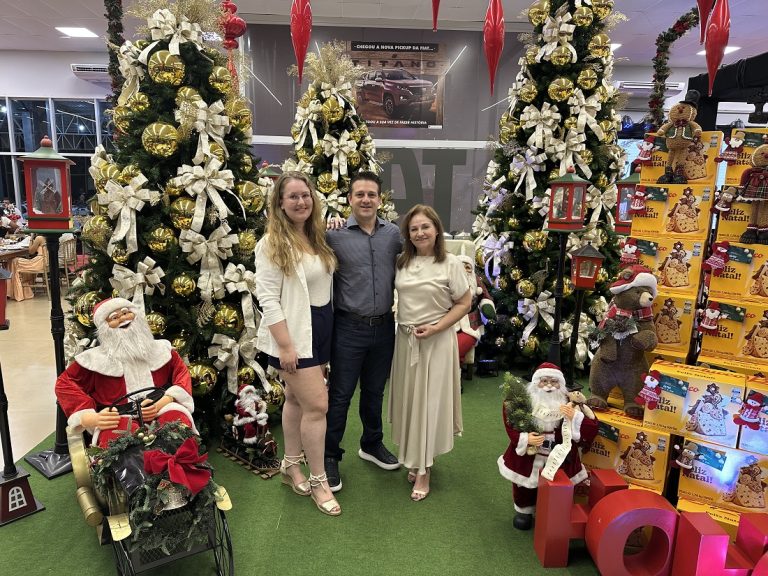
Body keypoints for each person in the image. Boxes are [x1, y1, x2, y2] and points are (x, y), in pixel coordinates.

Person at [254, 171, 341, 516]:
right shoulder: (270, 244)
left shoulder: (316, 236)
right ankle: (319, 480)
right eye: (293, 196)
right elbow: (267, 299)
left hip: (320, 329)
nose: (301, 201)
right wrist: (286, 346)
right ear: (280, 202)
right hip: (293, 336)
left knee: (294, 399)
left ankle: (291, 466)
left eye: (305, 195)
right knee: (318, 406)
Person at [324, 171, 403, 493]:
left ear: (380, 199)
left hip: (384, 328)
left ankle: (371, 444)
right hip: (348, 328)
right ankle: (329, 456)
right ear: (350, 199)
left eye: (372, 194)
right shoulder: (334, 234)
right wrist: (327, 222)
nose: (366, 199)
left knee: (374, 392)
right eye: (360, 194)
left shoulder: (393, 234)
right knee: (340, 396)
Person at [389, 204, 471, 501]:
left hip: (436, 343)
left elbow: (464, 303)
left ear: (436, 229)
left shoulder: (451, 263)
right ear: (407, 234)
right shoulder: (402, 262)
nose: (420, 233)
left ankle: (424, 470)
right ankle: (415, 456)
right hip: (406, 341)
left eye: (425, 226)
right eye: (414, 229)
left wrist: (437, 328)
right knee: (411, 401)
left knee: (429, 404)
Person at [55, 297, 195, 448]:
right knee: (117, 442)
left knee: (178, 426)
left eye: (125, 313)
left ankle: (178, 460)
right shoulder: (93, 360)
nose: (123, 319)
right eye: (114, 318)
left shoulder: (162, 349)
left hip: (161, 408)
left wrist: (166, 400)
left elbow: (182, 374)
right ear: (104, 327)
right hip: (118, 416)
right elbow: (65, 384)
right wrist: (88, 417)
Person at [498, 363, 598, 530]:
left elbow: (593, 426)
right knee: (524, 485)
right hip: (530, 453)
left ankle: (554, 511)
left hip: (560, 454)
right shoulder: (524, 400)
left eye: (554, 381)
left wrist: (575, 417)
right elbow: (510, 421)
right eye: (544, 381)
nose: (549, 386)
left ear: (561, 384)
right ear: (536, 382)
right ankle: (525, 510)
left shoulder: (570, 402)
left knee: (558, 485)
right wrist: (525, 438)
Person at [7, 234, 46, 301]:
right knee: (14, 261)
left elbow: (31, 252)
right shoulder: (48, 237)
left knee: (13, 261)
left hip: (38, 262)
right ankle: (17, 290)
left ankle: (11, 291)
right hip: (45, 262)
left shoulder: (39, 238)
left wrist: (31, 238)